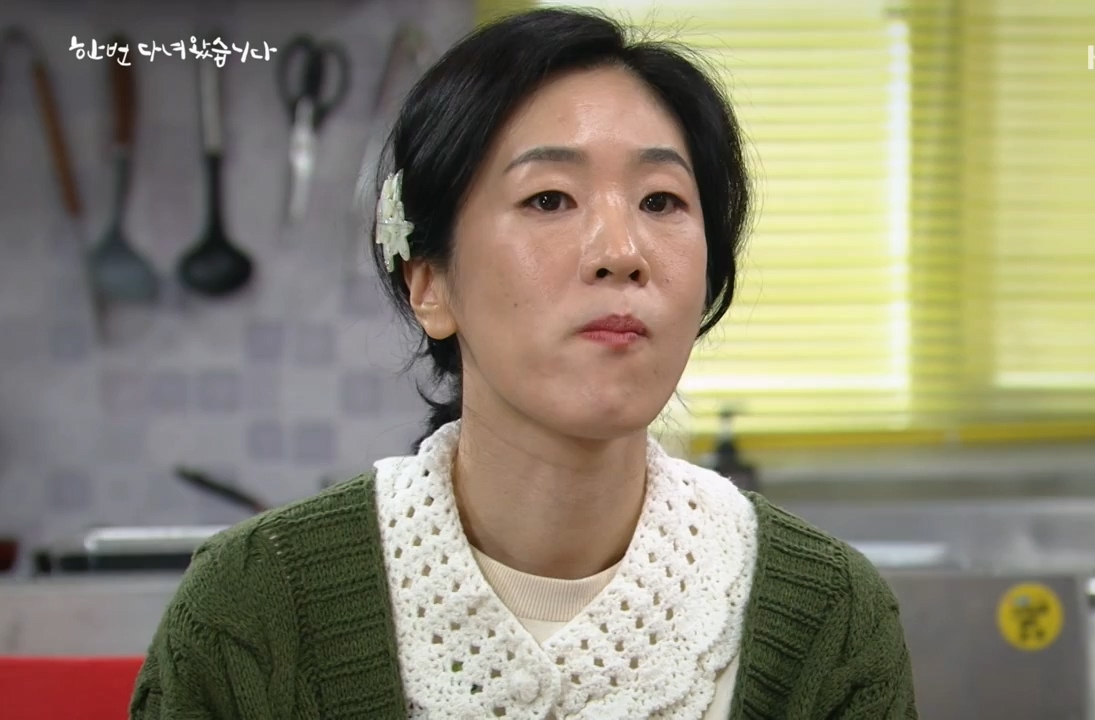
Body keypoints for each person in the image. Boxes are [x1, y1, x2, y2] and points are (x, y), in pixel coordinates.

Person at [129, 7, 917, 719]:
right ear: (429, 284)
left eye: (661, 201)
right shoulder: (253, 606)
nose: (621, 251)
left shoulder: (827, 617)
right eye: (549, 199)